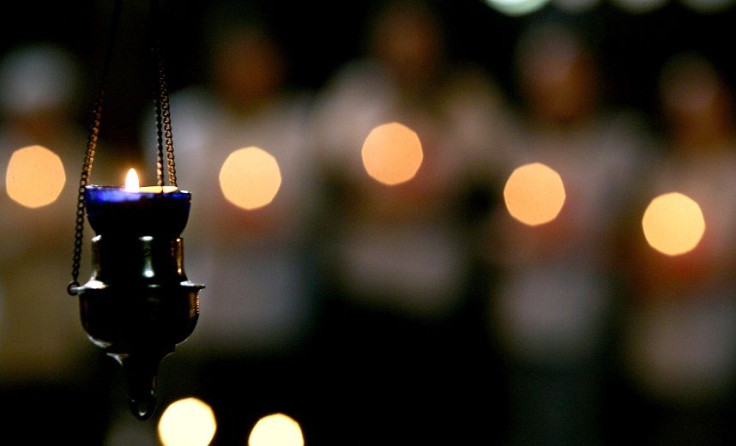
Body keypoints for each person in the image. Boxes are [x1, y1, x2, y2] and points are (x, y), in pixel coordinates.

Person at [308, 0, 514, 442]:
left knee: (433, 420)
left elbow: (491, 186)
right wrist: (367, 202)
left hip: (437, 301)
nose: (407, 50)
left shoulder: (466, 98)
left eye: (416, 37)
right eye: (395, 37)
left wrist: (432, 201)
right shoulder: (353, 95)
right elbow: (324, 180)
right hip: (363, 295)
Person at [137, 7, 320, 443]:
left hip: (276, 317)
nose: (246, 72)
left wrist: (277, 221)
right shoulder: (180, 124)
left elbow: (317, 213)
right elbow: (159, 212)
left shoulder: (301, 127)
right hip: (201, 322)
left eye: (256, 59)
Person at [482, 17, 653, 445]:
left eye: (567, 76)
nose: (556, 91)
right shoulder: (510, 143)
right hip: (521, 325)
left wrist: (583, 238)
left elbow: (639, 240)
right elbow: (487, 236)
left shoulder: (618, 147)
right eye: (544, 79)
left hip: (588, 327)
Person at [0, 41, 120, 443]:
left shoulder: (86, 160)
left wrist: (65, 235)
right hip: (11, 325)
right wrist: (21, 239)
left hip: (68, 327)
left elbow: (108, 230)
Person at [618, 51, 736, 446]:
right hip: (655, 354)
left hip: (716, 354)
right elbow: (627, 247)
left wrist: (708, 272)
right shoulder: (658, 169)